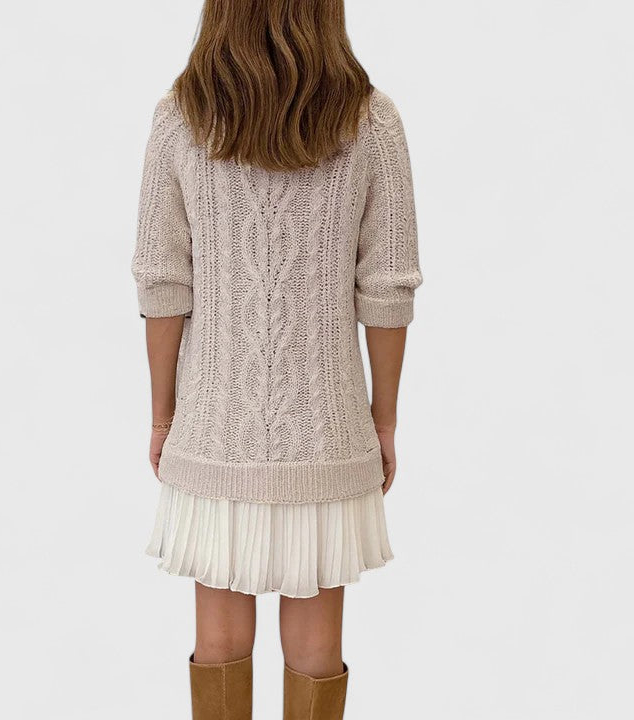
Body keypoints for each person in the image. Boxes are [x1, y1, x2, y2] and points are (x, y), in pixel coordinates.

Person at [131, 1, 422, 717]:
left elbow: (162, 283)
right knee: (316, 648)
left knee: (220, 640)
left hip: (213, 428)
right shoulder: (372, 121)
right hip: (328, 431)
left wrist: (163, 416)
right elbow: (388, 289)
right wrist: (384, 420)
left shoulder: (181, 118)